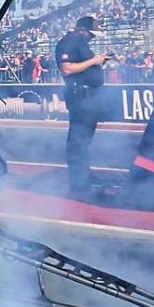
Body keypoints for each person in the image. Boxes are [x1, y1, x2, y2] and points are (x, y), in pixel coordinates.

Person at [55, 16, 108, 197]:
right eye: (91, 34)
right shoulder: (68, 43)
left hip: (90, 99)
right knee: (78, 143)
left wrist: (98, 63)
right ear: (81, 29)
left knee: (84, 142)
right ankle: (78, 183)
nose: (92, 38)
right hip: (81, 99)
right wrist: (93, 62)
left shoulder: (81, 44)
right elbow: (67, 69)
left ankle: (83, 176)